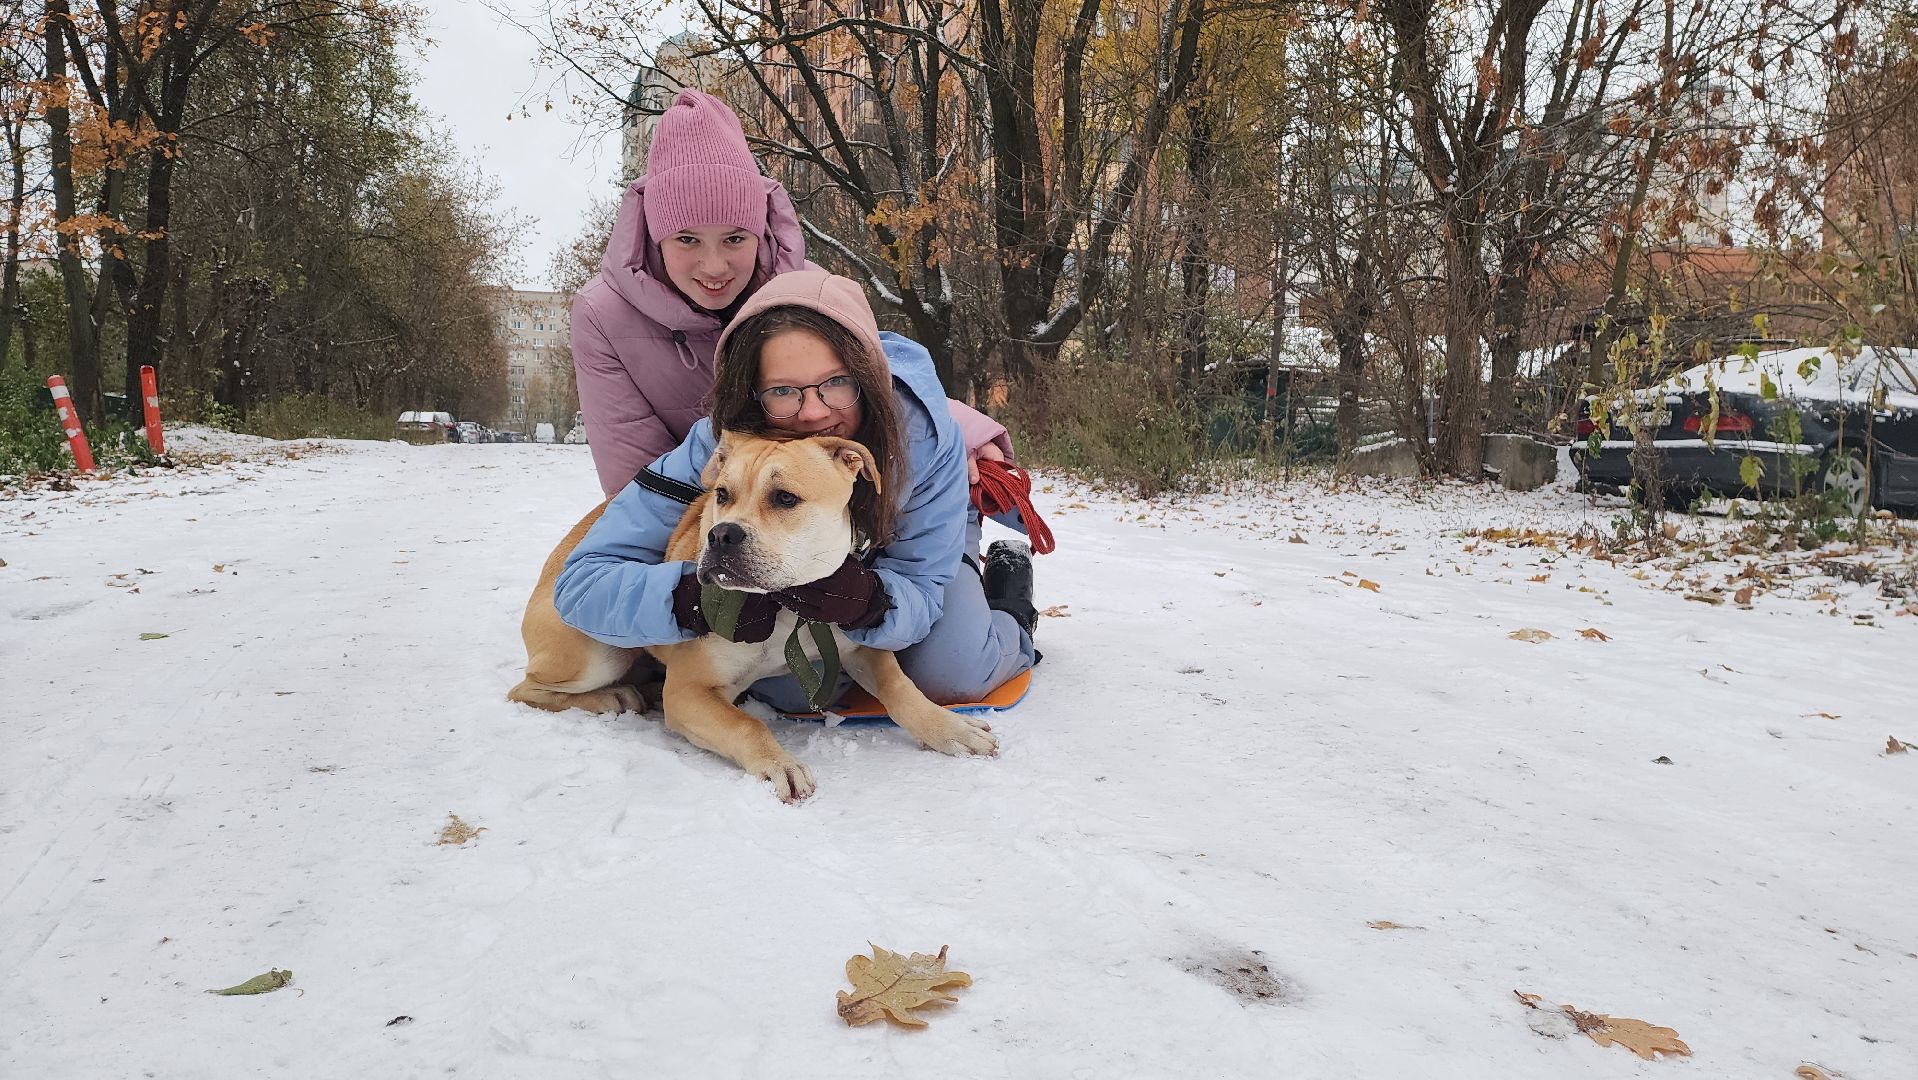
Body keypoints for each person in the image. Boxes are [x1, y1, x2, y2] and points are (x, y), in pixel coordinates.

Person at [553, 270, 1036, 711]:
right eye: (782, 391)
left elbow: (922, 583)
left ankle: (1009, 602)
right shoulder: (723, 448)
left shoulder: (923, 442)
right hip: (786, 559)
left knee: (953, 670)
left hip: (921, 543)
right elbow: (580, 586)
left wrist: (871, 601)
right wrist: (685, 600)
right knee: (791, 686)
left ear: (868, 380)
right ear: (751, 390)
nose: (811, 413)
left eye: (836, 384)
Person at [570, 87, 1017, 515]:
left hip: (809, 506)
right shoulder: (602, 315)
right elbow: (639, 485)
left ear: (759, 229)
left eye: (734, 238)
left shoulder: (800, 284)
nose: (714, 265)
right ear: (656, 233)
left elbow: (877, 376)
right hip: (713, 518)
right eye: (687, 239)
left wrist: (963, 433)